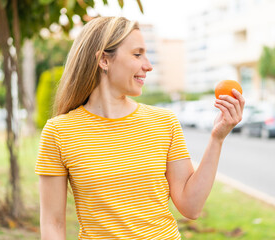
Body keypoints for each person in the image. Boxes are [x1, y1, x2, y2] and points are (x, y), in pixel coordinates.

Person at [35, 16, 245, 240]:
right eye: (137, 54)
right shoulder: (59, 132)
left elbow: (191, 207)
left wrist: (217, 138)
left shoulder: (164, 122)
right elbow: (52, 223)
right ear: (104, 60)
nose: (148, 65)